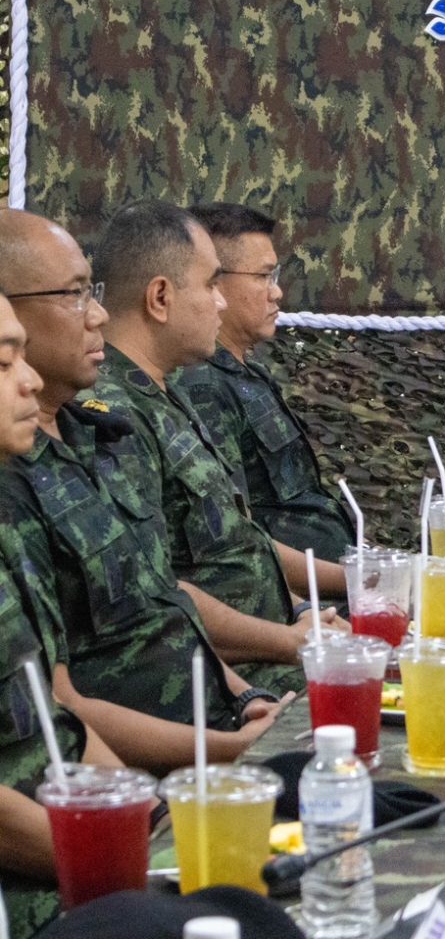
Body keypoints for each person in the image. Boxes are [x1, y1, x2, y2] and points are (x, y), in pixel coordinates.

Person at [0, 210, 291, 774]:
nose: (99, 314)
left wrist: (247, 702)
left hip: (215, 717)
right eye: (75, 295)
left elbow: (167, 603)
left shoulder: (96, 432)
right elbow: (60, 707)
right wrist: (226, 757)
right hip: (152, 765)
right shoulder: (16, 483)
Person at [84, 201, 348, 694]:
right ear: (160, 298)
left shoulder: (167, 392)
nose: (220, 303)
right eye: (210, 285)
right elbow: (155, 596)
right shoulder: (113, 418)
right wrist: (289, 644)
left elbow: (237, 543)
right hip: (223, 677)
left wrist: (303, 613)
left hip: (273, 643)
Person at [0, 290, 123, 937]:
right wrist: (124, 864)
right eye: (4, 364)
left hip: (86, 851)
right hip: (37, 898)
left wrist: (149, 816)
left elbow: (56, 708)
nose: (30, 381)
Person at [173, 203, 355, 561]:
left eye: (275, 276)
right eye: (264, 276)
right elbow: (236, 535)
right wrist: (355, 579)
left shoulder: (250, 373)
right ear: (214, 281)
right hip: (298, 589)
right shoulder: (203, 386)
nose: (277, 292)